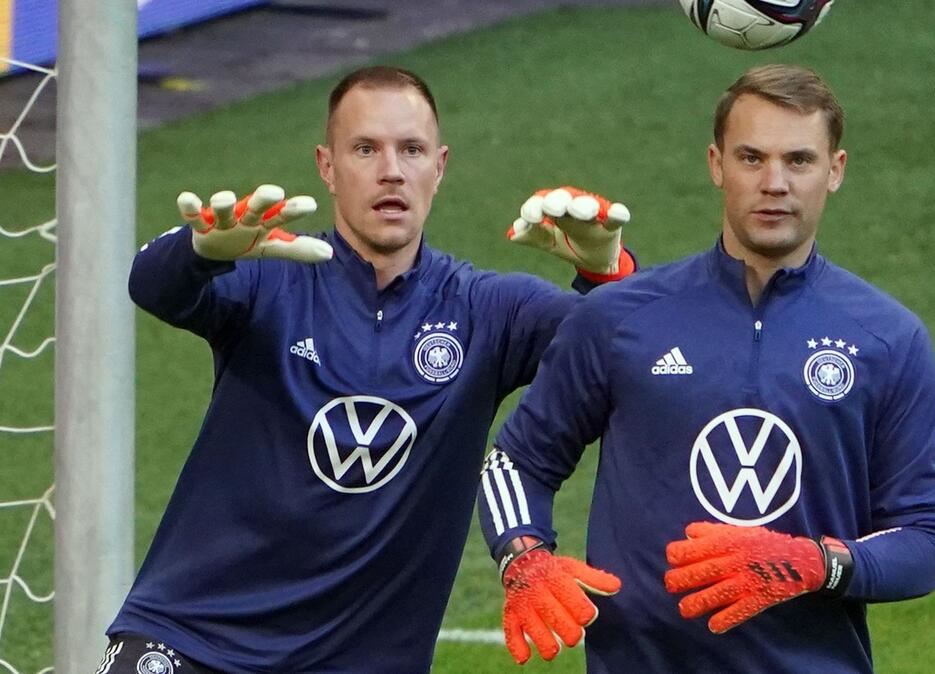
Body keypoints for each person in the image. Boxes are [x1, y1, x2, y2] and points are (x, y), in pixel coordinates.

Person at [100, 65, 636, 673]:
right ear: (327, 167)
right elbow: (151, 286)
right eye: (365, 149)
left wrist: (604, 272)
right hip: (194, 640)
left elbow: (627, 355)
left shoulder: (489, 310)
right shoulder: (268, 274)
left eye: (411, 149)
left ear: (440, 166)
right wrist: (198, 252)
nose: (391, 170)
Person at [477, 63, 935, 673]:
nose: (774, 183)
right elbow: (518, 461)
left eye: (799, 161)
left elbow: (923, 541)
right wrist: (523, 558)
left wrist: (819, 563)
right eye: (751, 158)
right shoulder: (619, 317)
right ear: (715, 164)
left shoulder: (888, 340)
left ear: (835, 171)